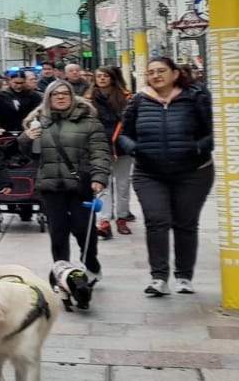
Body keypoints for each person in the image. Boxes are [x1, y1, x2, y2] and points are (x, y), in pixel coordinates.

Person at [120, 56, 215, 296]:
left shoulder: (195, 97)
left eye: (161, 71)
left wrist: (197, 147)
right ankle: (158, 278)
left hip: (193, 172)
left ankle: (184, 276)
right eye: (151, 72)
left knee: (185, 223)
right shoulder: (138, 101)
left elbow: (214, 131)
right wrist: (134, 148)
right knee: (156, 221)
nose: (156, 76)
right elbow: (123, 134)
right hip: (149, 173)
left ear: (175, 74)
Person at [25, 81, 109, 276]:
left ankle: (90, 261)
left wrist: (99, 177)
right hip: (50, 185)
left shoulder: (89, 122)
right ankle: (62, 271)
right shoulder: (38, 121)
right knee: (58, 232)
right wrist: (26, 138)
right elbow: (29, 154)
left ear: (72, 97)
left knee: (83, 229)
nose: (61, 97)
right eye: (55, 94)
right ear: (48, 98)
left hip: (80, 185)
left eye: (65, 94)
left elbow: (100, 152)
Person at [89, 67, 134, 238]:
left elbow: (130, 122)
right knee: (101, 184)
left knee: (123, 184)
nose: (101, 79)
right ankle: (104, 221)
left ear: (112, 78)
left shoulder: (125, 97)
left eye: (105, 76)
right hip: (98, 147)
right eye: (98, 76)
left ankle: (122, 218)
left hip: (121, 147)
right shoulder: (89, 99)